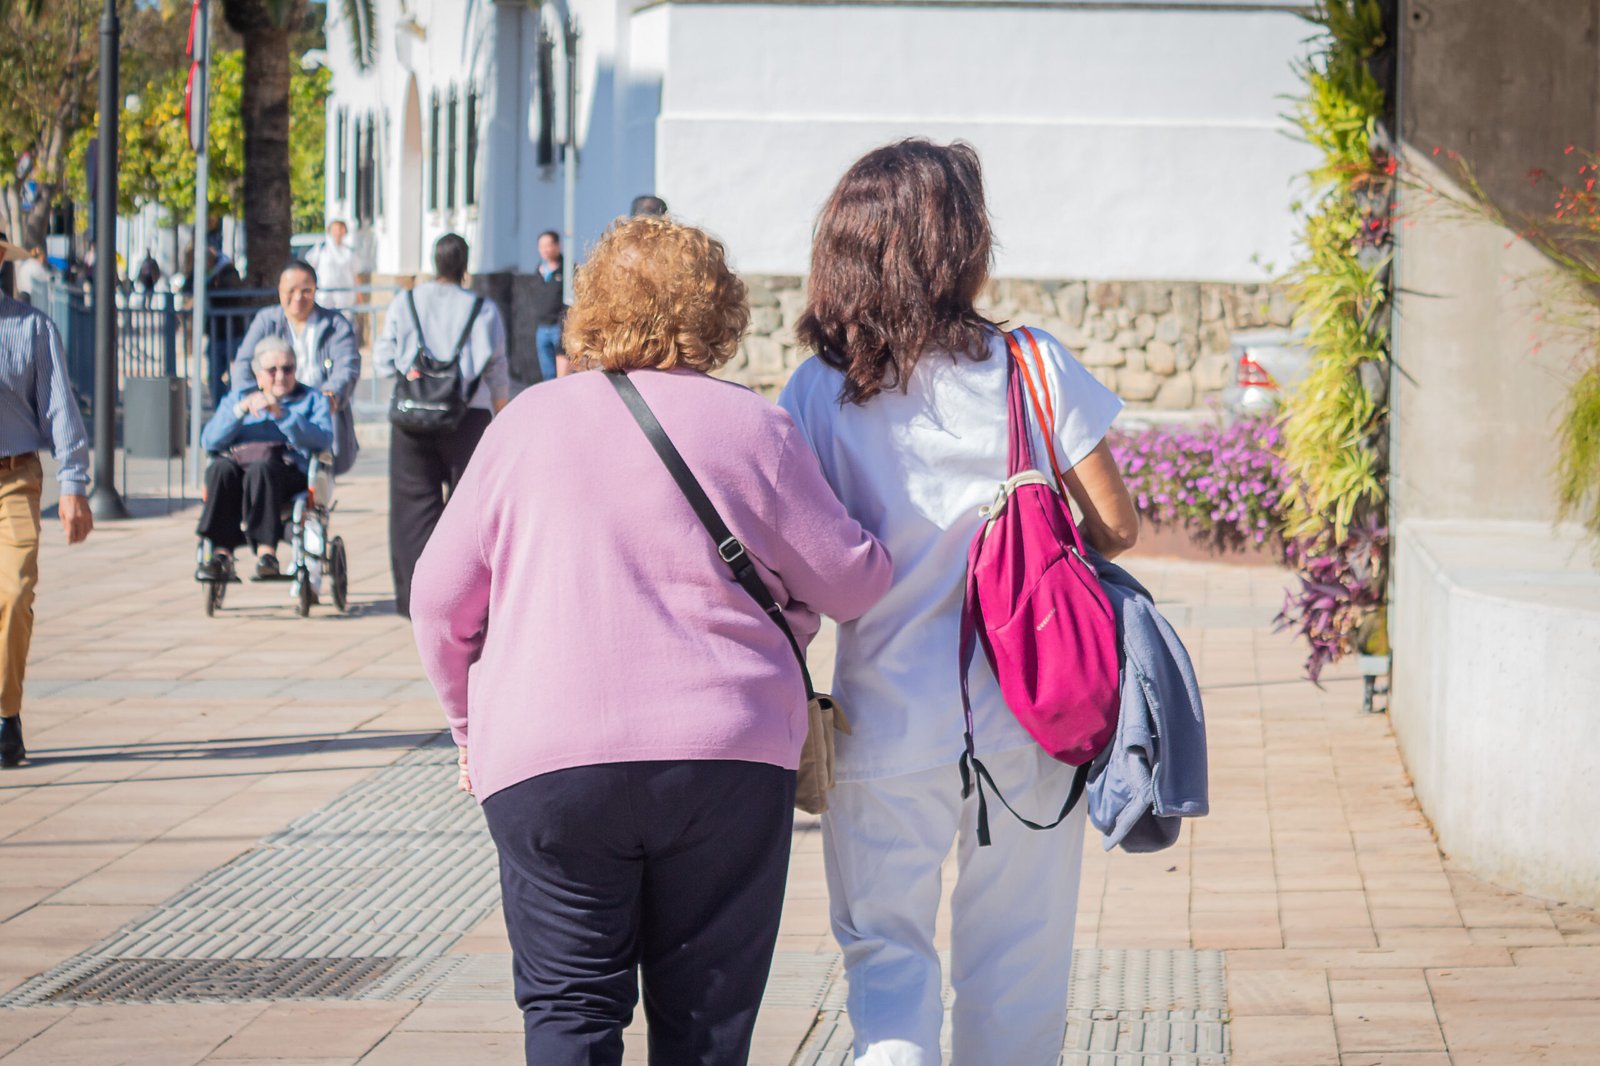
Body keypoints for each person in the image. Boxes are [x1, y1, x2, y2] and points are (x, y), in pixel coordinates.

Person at [409, 215, 892, 1065]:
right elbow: (851, 584)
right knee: (705, 1021)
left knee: (568, 1009)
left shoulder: (523, 425)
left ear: (592, 304)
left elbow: (437, 602)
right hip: (724, 759)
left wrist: (468, 729)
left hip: (547, 761)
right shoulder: (754, 427)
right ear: (717, 311)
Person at [776, 140, 1141, 1066]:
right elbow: (1117, 525)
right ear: (962, 246)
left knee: (887, 961)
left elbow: (794, 554)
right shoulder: (1031, 365)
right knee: (1019, 966)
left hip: (882, 722)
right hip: (1032, 712)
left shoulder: (818, 391)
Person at [373, 233, 511, 619]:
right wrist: (501, 417)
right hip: (468, 416)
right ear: (465, 265)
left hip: (412, 415)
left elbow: (383, 360)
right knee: (469, 510)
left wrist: (411, 373)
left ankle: (414, 598)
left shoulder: (405, 302)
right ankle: (469, 598)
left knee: (412, 510)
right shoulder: (483, 309)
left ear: (434, 262)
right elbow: (497, 370)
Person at [0, 235, 94, 769]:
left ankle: (4, 713)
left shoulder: (32, 327)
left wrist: (74, 486)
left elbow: (60, 409)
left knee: (15, 593)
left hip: (13, 476)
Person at [196, 336, 334, 582]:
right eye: (272, 371)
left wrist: (282, 414)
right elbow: (209, 441)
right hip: (241, 470)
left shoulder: (312, 400)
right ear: (258, 375)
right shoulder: (239, 397)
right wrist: (240, 411)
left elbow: (322, 439)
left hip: (287, 472)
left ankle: (266, 553)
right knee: (220, 469)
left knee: (262, 469)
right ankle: (220, 554)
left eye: (287, 369)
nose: (280, 376)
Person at [231, 261, 362, 475]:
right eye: (290, 291)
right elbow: (244, 364)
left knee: (316, 473)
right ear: (280, 291)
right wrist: (251, 397)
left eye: (306, 291)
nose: (298, 297)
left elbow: (347, 367)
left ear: (316, 290)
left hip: (315, 409)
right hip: (274, 408)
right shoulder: (267, 320)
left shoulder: (336, 324)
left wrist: (332, 395)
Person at [530, 230, 565, 383]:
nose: (545, 249)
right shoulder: (539, 270)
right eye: (541, 246)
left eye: (548, 245)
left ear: (557, 246)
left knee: (563, 377)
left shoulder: (567, 269)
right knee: (548, 376)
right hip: (542, 328)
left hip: (560, 327)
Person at [307, 220, 360, 317]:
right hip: (324, 294)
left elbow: (355, 274)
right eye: (335, 229)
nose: (338, 232)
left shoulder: (349, 252)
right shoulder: (321, 249)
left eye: (340, 229)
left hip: (345, 295)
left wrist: (359, 295)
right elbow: (310, 269)